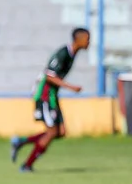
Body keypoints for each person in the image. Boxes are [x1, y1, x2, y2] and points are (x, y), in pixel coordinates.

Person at [10, 28, 91, 172]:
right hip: (45, 94)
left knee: (60, 132)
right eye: (87, 38)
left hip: (53, 95)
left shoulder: (72, 54)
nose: (89, 42)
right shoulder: (63, 53)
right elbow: (49, 75)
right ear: (78, 39)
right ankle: (27, 165)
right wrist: (70, 87)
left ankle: (21, 142)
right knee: (52, 132)